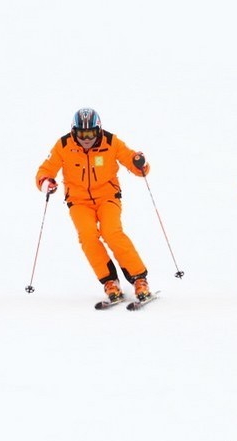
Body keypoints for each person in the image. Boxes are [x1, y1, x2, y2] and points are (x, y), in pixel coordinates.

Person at [36, 108, 152, 302]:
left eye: (90, 133)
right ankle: (109, 281)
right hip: (79, 202)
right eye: (82, 134)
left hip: (108, 197)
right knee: (88, 236)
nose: (86, 138)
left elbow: (133, 162)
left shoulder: (111, 141)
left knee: (111, 232)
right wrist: (46, 182)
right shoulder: (63, 145)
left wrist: (140, 163)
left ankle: (139, 278)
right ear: (74, 132)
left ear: (98, 130)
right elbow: (45, 169)